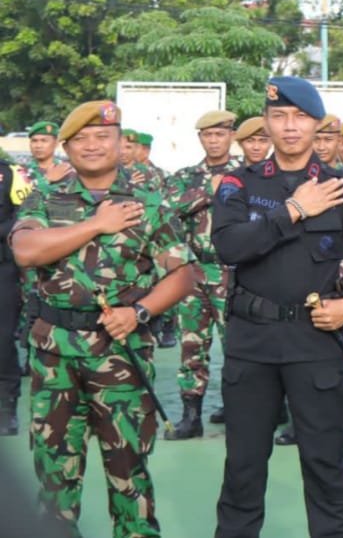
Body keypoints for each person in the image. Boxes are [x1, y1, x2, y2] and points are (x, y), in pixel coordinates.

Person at [211, 77, 343, 538]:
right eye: (279, 116)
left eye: (300, 117)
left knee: (326, 465)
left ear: (317, 124)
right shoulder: (239, 183)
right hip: (250, 344)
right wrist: (292, 209)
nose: (289, 127)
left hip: (315, 341)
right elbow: (228, 246)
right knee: (243, 470)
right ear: (266, 123)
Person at [9, 100, 199, 536]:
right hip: (54, 354)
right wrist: (96, 224)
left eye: (103, 137)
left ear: (120, 143)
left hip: (120, 356)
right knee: (54, 474)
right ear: (67, 147)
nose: (92, 146)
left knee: (129, 472)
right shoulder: (46, 195)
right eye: (81, 139)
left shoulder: (148, 202)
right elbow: (26, 250)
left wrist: (140, 312)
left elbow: (183, 273)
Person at [163, 109, 242, 439]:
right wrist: (208, 191)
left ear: (231, 137)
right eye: (208, 135)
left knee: (236, 346)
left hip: (233, 272)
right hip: (194, 271)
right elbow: (166, 209)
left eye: (220, 134)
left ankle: (239, 412)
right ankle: (190, 415)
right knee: (191, 345)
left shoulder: (247, 174)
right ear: (200, 138)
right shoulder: (185, 177)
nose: (214, 140)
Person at [0, 154, 33, 435]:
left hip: (3, 268)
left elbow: (25, 217)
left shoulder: (13, 175)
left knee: (2, 338)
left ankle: (7, 407)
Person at [26, 121, 74, 188]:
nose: (38, 146)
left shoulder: (67, 170)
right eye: (34, 141)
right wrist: (46, 180)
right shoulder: (21, 171)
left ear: (56, 143)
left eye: (44, 141)